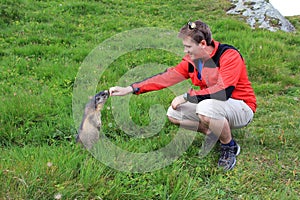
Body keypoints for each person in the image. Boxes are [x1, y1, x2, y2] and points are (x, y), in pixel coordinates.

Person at [109, 20, 256, 171]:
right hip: (214, 105)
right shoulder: (194, 61)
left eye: (188, 47)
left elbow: (223, 91)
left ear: (203, 44)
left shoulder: (228, 55)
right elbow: (166, 77)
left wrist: (187, 96)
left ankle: (229, 146)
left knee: (205, 108)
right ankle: (215, 134)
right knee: (174, 114)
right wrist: (130, 88)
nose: (185, 51)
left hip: (241, 106)